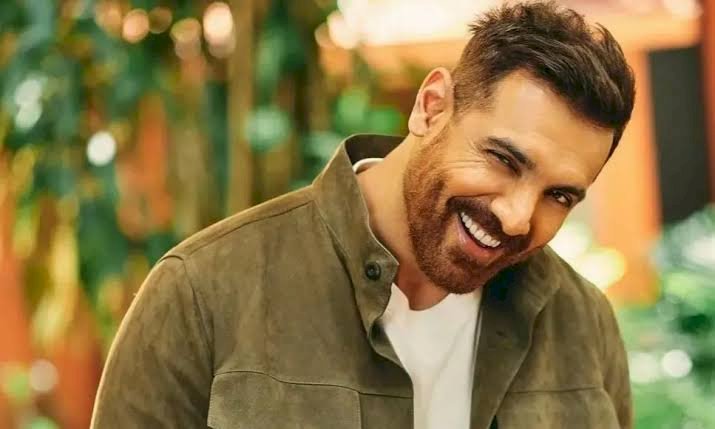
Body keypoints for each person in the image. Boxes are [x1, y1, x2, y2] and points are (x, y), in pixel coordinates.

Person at [90, 1, 636, 428]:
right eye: (503, 160)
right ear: (432, 107)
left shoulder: (582, 319)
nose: (518, 217)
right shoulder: (202, 291)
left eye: (559, 196)